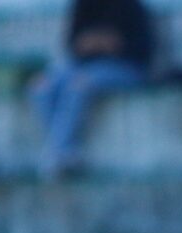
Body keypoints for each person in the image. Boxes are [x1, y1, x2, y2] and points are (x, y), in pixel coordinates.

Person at [28, 0, 155, 178]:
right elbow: (71, 44)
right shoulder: (83, 5)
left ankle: (58, 153)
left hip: (124, 67)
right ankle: (64, 151)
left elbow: (143, 52)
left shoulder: (131, 6)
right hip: (84, 64)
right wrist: (87, 44)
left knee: (79, 84)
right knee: (42, 85)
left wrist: (113, 44)